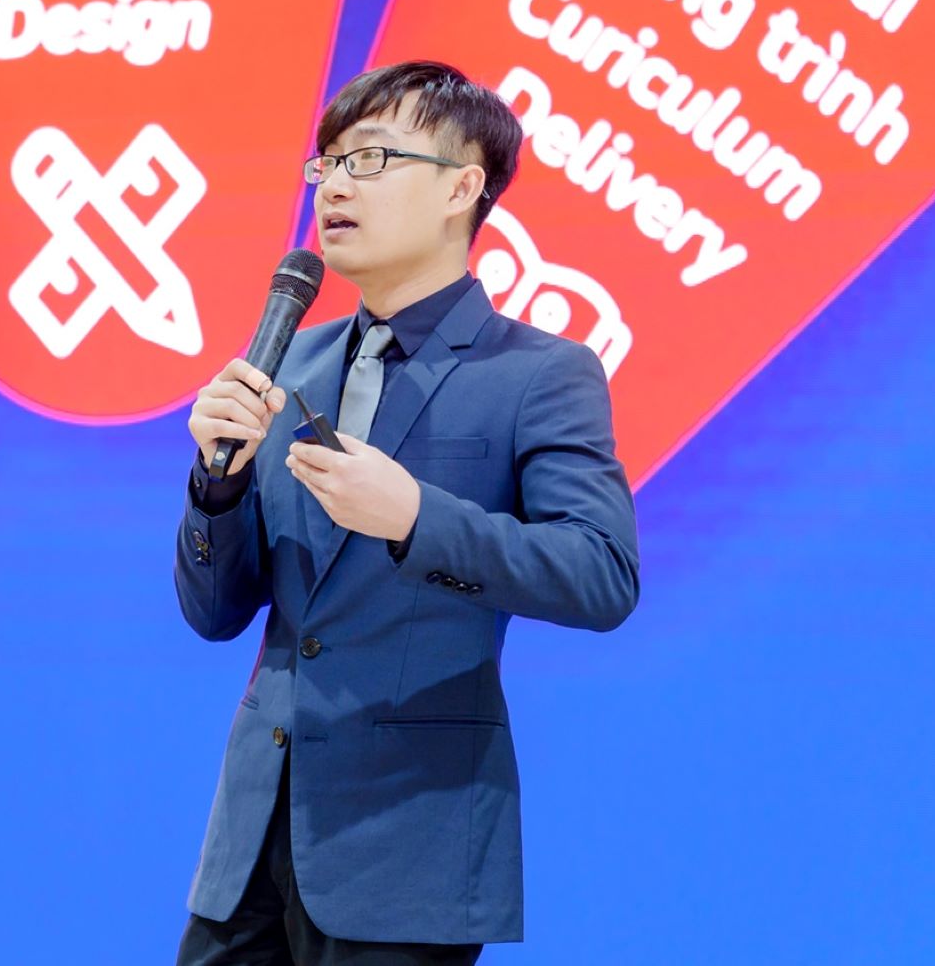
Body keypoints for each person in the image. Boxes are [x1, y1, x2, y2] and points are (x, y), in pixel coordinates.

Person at [172, 60, 641, 964]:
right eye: (327, 164)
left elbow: (601, 574)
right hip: (252, 843)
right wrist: (215, 485)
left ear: (463, 187)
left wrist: (416, 516)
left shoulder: (538, 373)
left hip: (409, 845)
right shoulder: (289, 363)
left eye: (373, 159)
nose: (335, 185)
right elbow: (214, 611)